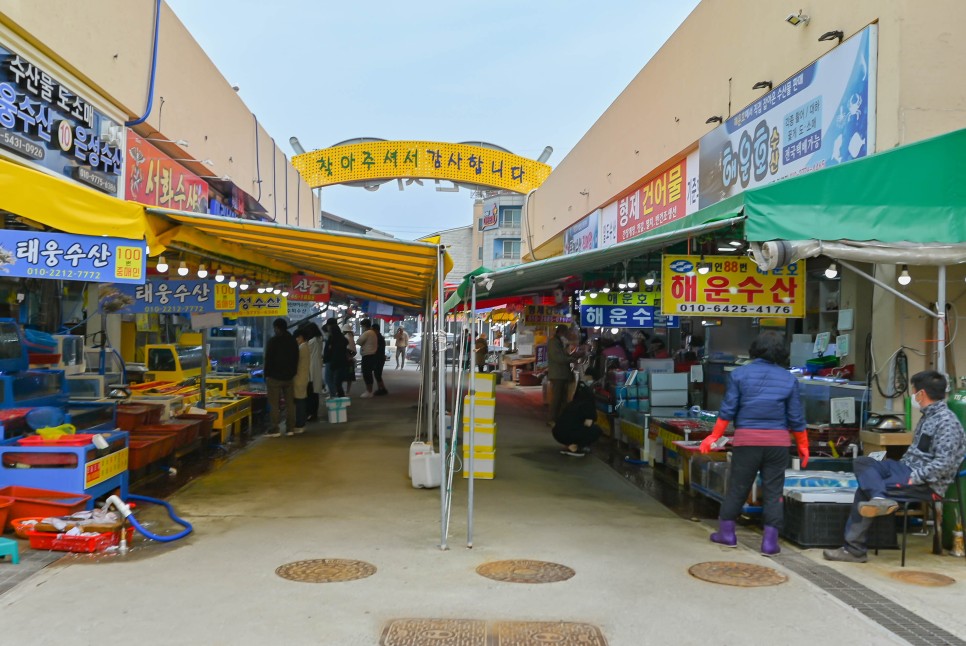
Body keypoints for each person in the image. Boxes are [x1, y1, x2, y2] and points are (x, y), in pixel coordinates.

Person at [824, 370, 966, 563]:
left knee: (865, 489)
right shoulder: (928, 416)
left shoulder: (947, 422)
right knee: (862, 462)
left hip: (924, 482)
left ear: (922, 394)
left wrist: (914, 477)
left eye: (914, 392)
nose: (913, 396)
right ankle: (879, 497)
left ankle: (855, 549)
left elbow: (944, 464)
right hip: (904, 468)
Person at [699, 331, 807, 556]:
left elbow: (728, 410)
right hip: (778, 443)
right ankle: (769, 542)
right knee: (773, 491)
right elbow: (796, 418)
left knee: (738, 487)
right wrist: (803, 446)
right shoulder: (788, 379)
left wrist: (714, 436)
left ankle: (727, 534)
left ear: (755, 348)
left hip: (746, 441)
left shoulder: (740, 375)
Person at [264, 317, 299, 437]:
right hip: (289, 377)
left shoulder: (273, 341)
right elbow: (296, 358)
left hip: (274, 377)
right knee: (290, 404)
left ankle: (275, 429)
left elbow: (268, 359)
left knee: (274, 404)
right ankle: (290, 429)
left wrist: (266, 374)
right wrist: (293, 372)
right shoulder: (292, 340)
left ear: (277, 328)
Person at [553, 380, 603, 457]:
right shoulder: (588, 405)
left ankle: (570, 444)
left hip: (557, 432)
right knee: (596, 430)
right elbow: (588, 424)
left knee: (575, 427)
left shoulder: (573, 403)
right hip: (567, 434)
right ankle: (574, 447)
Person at [547, 324, 574, 425]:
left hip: (562, 374)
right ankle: (552, 419)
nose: (567, 335)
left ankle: (559, 419)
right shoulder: (553, 342)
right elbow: (558, 358)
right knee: (556, 399)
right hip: (557, 375)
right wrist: (570, 359)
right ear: (561, 332)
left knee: (562, 398)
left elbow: (562, 356)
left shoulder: (559, 342)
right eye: (566, 333)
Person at [357, 319, 385, 398]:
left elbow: (359, 342)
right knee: (370, 374)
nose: (362, 327)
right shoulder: (373, 333)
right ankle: (371, 390)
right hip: (372, 356)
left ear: (364, 326)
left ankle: (369, 391)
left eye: (362, 326)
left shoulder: (367, 333)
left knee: (367, 374)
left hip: (368, 356)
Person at [290, 328, 311, 435]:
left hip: (299, 378)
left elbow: (295, 362)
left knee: (299, 402)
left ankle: (300, 424)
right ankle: (301, 423)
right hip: (303, 377)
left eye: (297, 337)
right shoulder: (305, 346)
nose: (296, 340)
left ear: (301, 337)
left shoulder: (302, 348)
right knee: (301, 400)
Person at [321, 318, 348, 398]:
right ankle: (336, 395)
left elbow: (333, 351)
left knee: (329, 379)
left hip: (332, 362)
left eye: (329, 327)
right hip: (336, 362)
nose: (328, 329)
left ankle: (334, 395)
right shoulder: (340, 338)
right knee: (335, 381)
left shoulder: (333, 339)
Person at [304, 322, 323, 422]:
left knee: (310, 393)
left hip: (311, 368)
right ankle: (313, 413)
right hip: (316, 368)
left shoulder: (312, 341)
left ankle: (310, 413)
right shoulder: (319, 339)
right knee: (314, 393)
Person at [342, 326, 357, 397]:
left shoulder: (345, 337)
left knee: (342, 376)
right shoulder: (352, 337)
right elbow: (354, 351)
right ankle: (348, 391)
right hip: (350, 361)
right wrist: (351, 357)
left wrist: (347, 356)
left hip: (344, 360)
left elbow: (344, 350)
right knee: (349, 376)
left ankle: (342, 390)